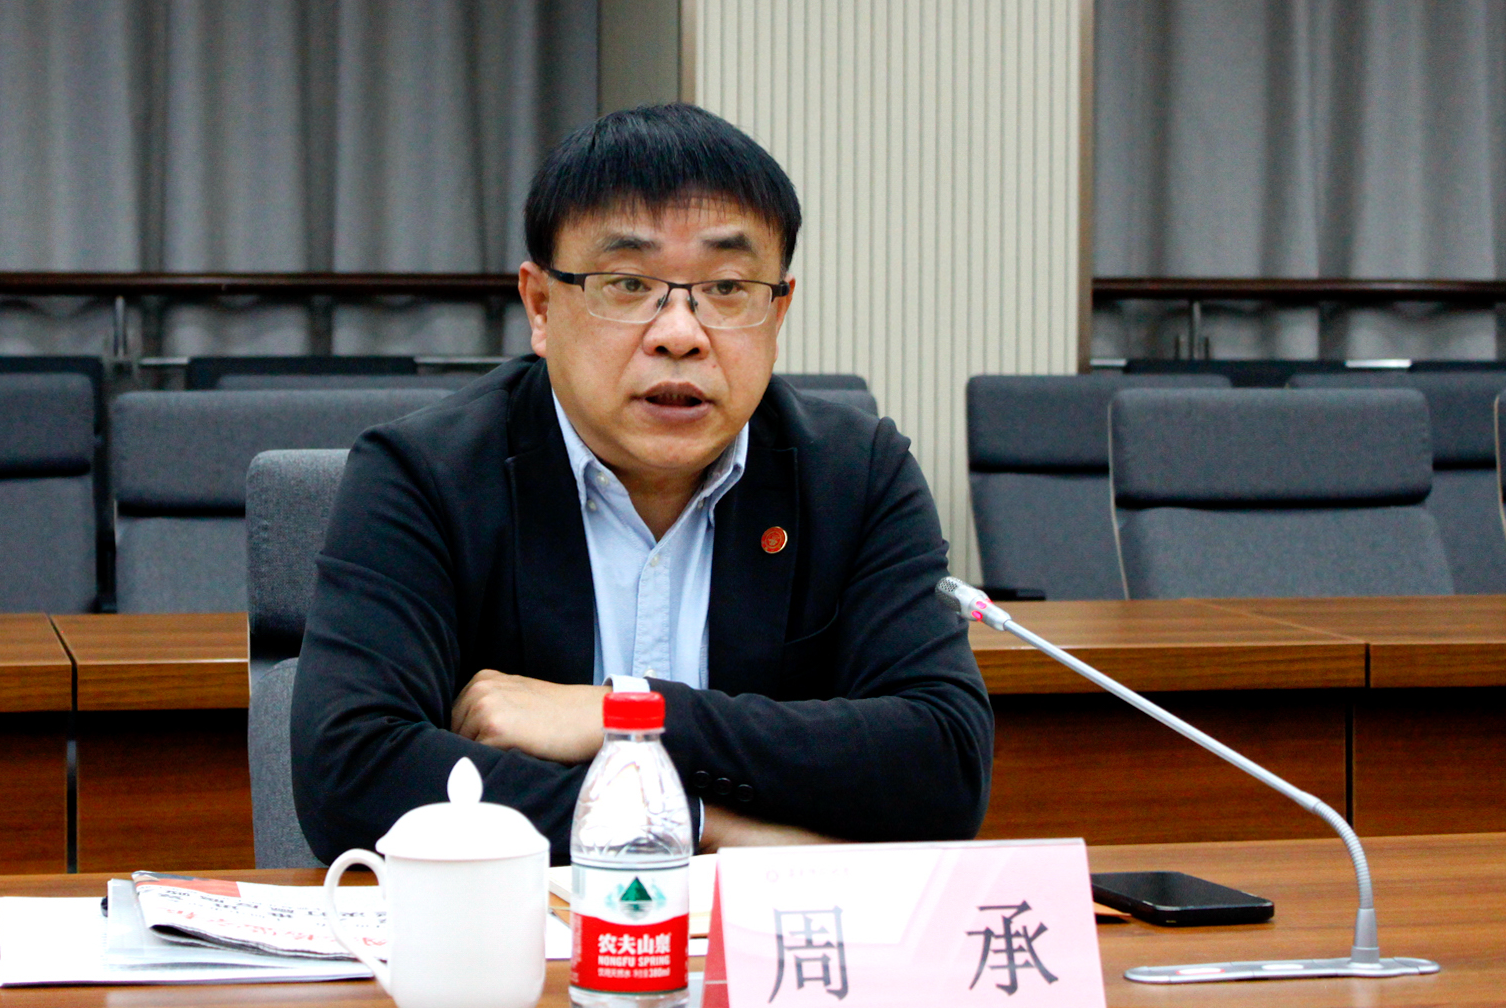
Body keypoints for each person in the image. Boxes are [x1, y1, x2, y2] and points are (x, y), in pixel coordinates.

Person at [291, 102, 993, 863]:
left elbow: (944, 762)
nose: (681, 334)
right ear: (540, 305)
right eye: (627, 283)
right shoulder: (424, 476)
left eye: (728, 287)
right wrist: (699, 826)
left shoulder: (856, 476)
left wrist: (622, 713)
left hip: (764, 939)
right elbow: (352, 771)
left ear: (778, 312)